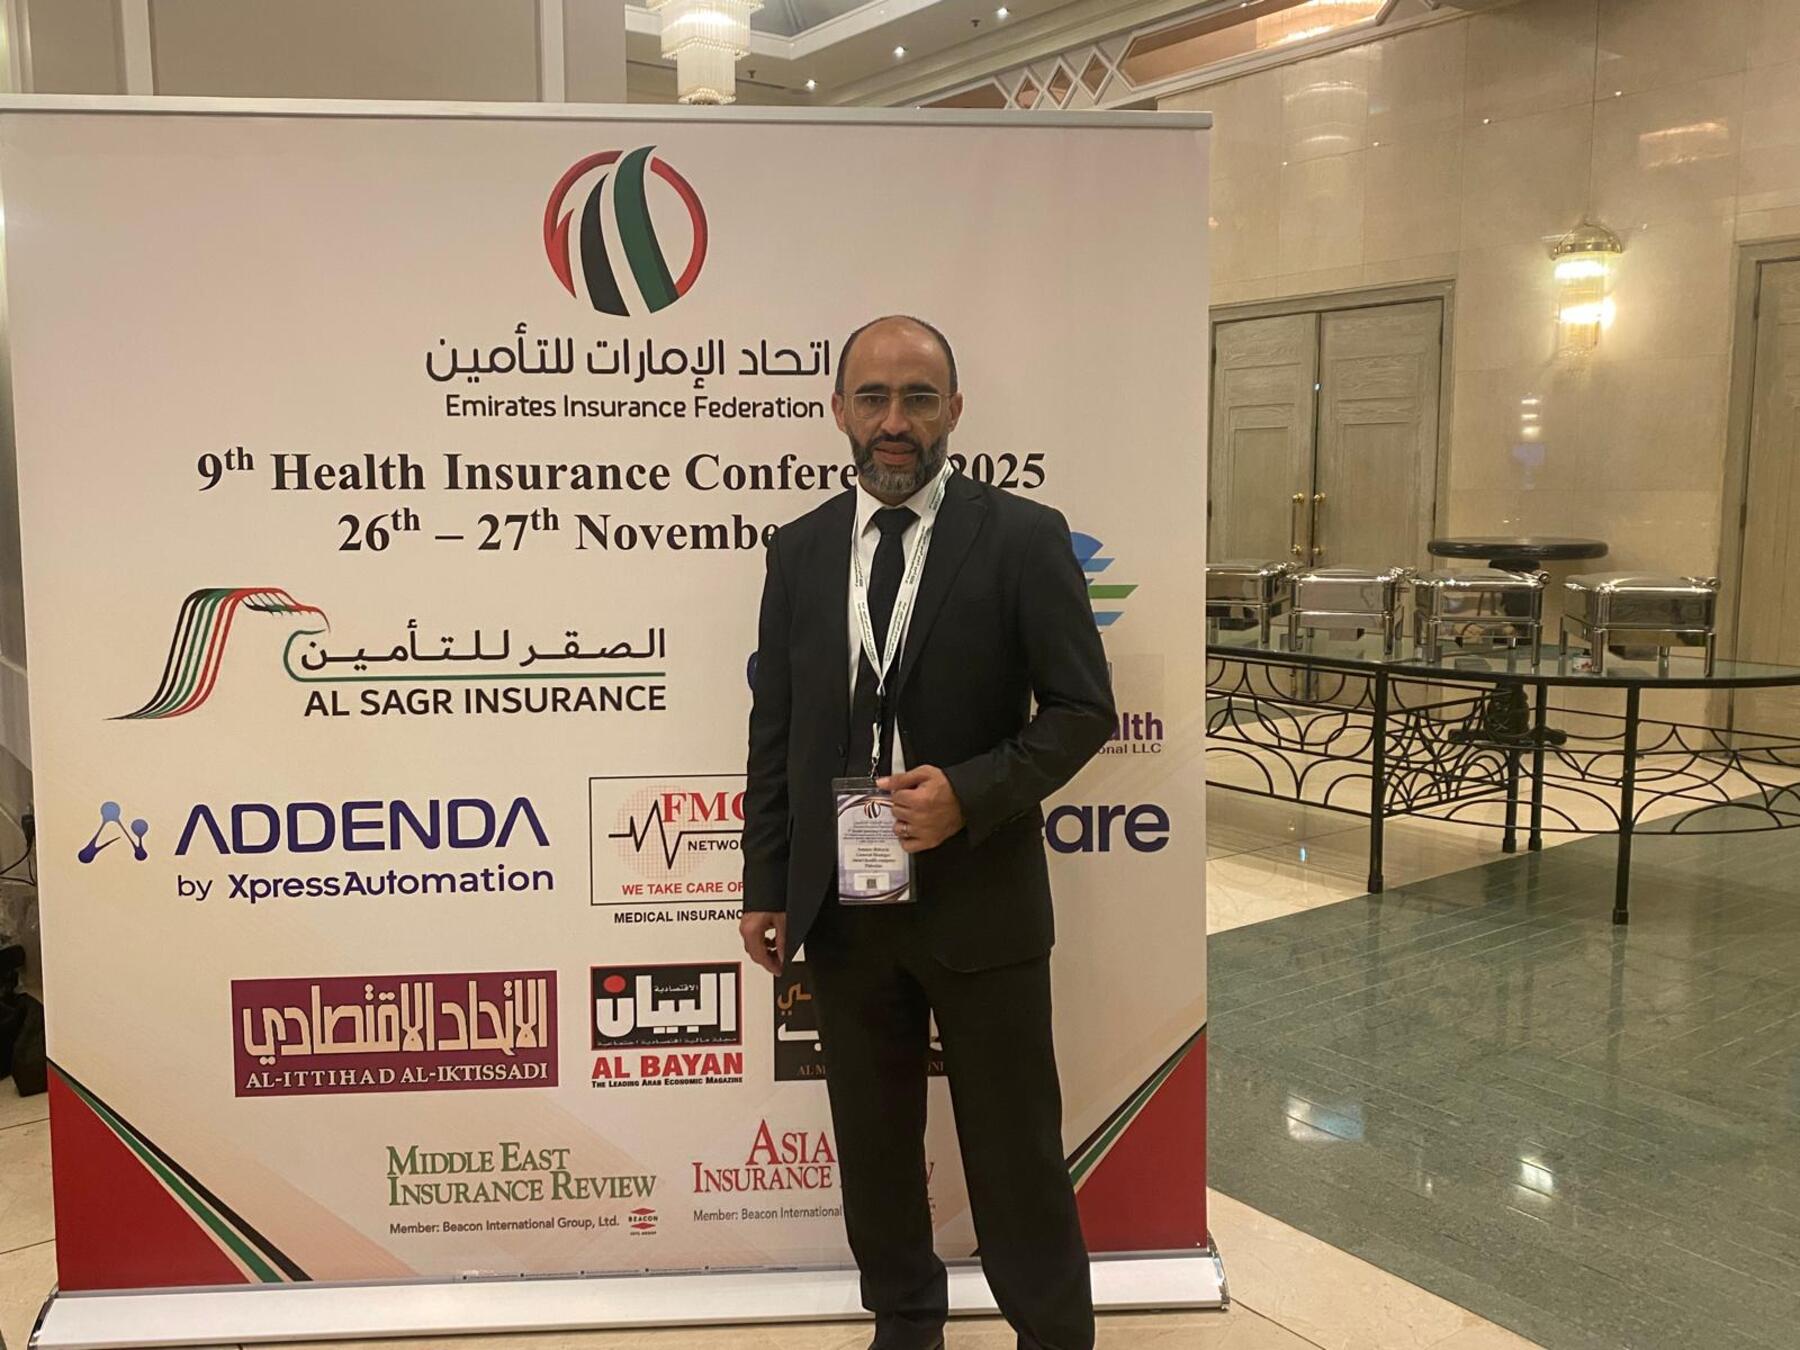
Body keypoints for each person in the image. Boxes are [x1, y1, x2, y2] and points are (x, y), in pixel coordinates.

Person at [739, 314, 1116, 1350]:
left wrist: (971, 792)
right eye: (873, 398)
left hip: (981, 894)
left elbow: (1084, 711)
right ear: (838, 411)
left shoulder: (1023, 537)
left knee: (1015, 1149)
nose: (894, 422)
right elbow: (777, 732)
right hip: (844, 902)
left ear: (954, 409)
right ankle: (905, 1324)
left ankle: (1053, 1335)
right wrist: (767, 883)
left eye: (916, 398)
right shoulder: (800, 550)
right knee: (873, 1144)